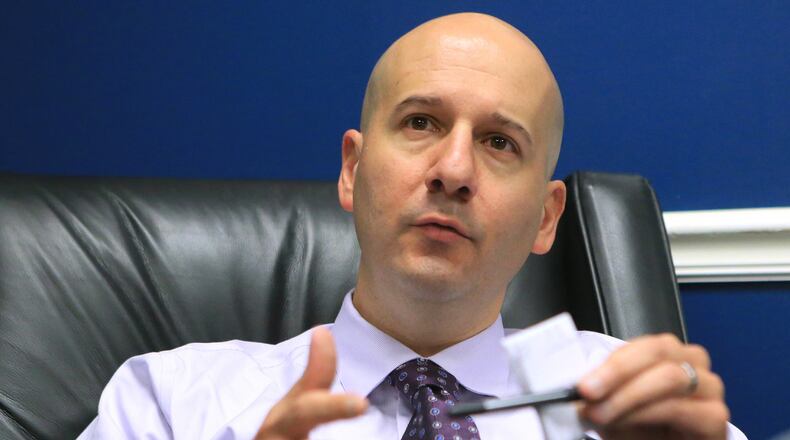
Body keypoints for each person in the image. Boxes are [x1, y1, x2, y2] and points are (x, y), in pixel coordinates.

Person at [78, 12, 746, 439]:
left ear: (546, 222)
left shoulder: (639, 410)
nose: (453, 169)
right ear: (352, 170)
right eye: (420, 122)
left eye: (498, 142)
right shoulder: (168, 402)